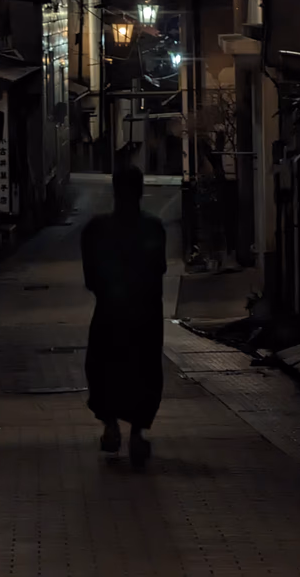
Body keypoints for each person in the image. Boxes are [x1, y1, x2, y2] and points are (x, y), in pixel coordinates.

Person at [81, 165, 167, 467]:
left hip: (110, 314)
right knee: (145, 373)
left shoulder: (96, 230)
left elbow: (91, 277)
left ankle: (111, 425)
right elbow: (158, 271)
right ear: (141, 191)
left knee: (103, 369)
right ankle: (136, 433)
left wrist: (111, 291)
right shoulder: (153, 228)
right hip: (145, 316)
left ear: (114, 191)